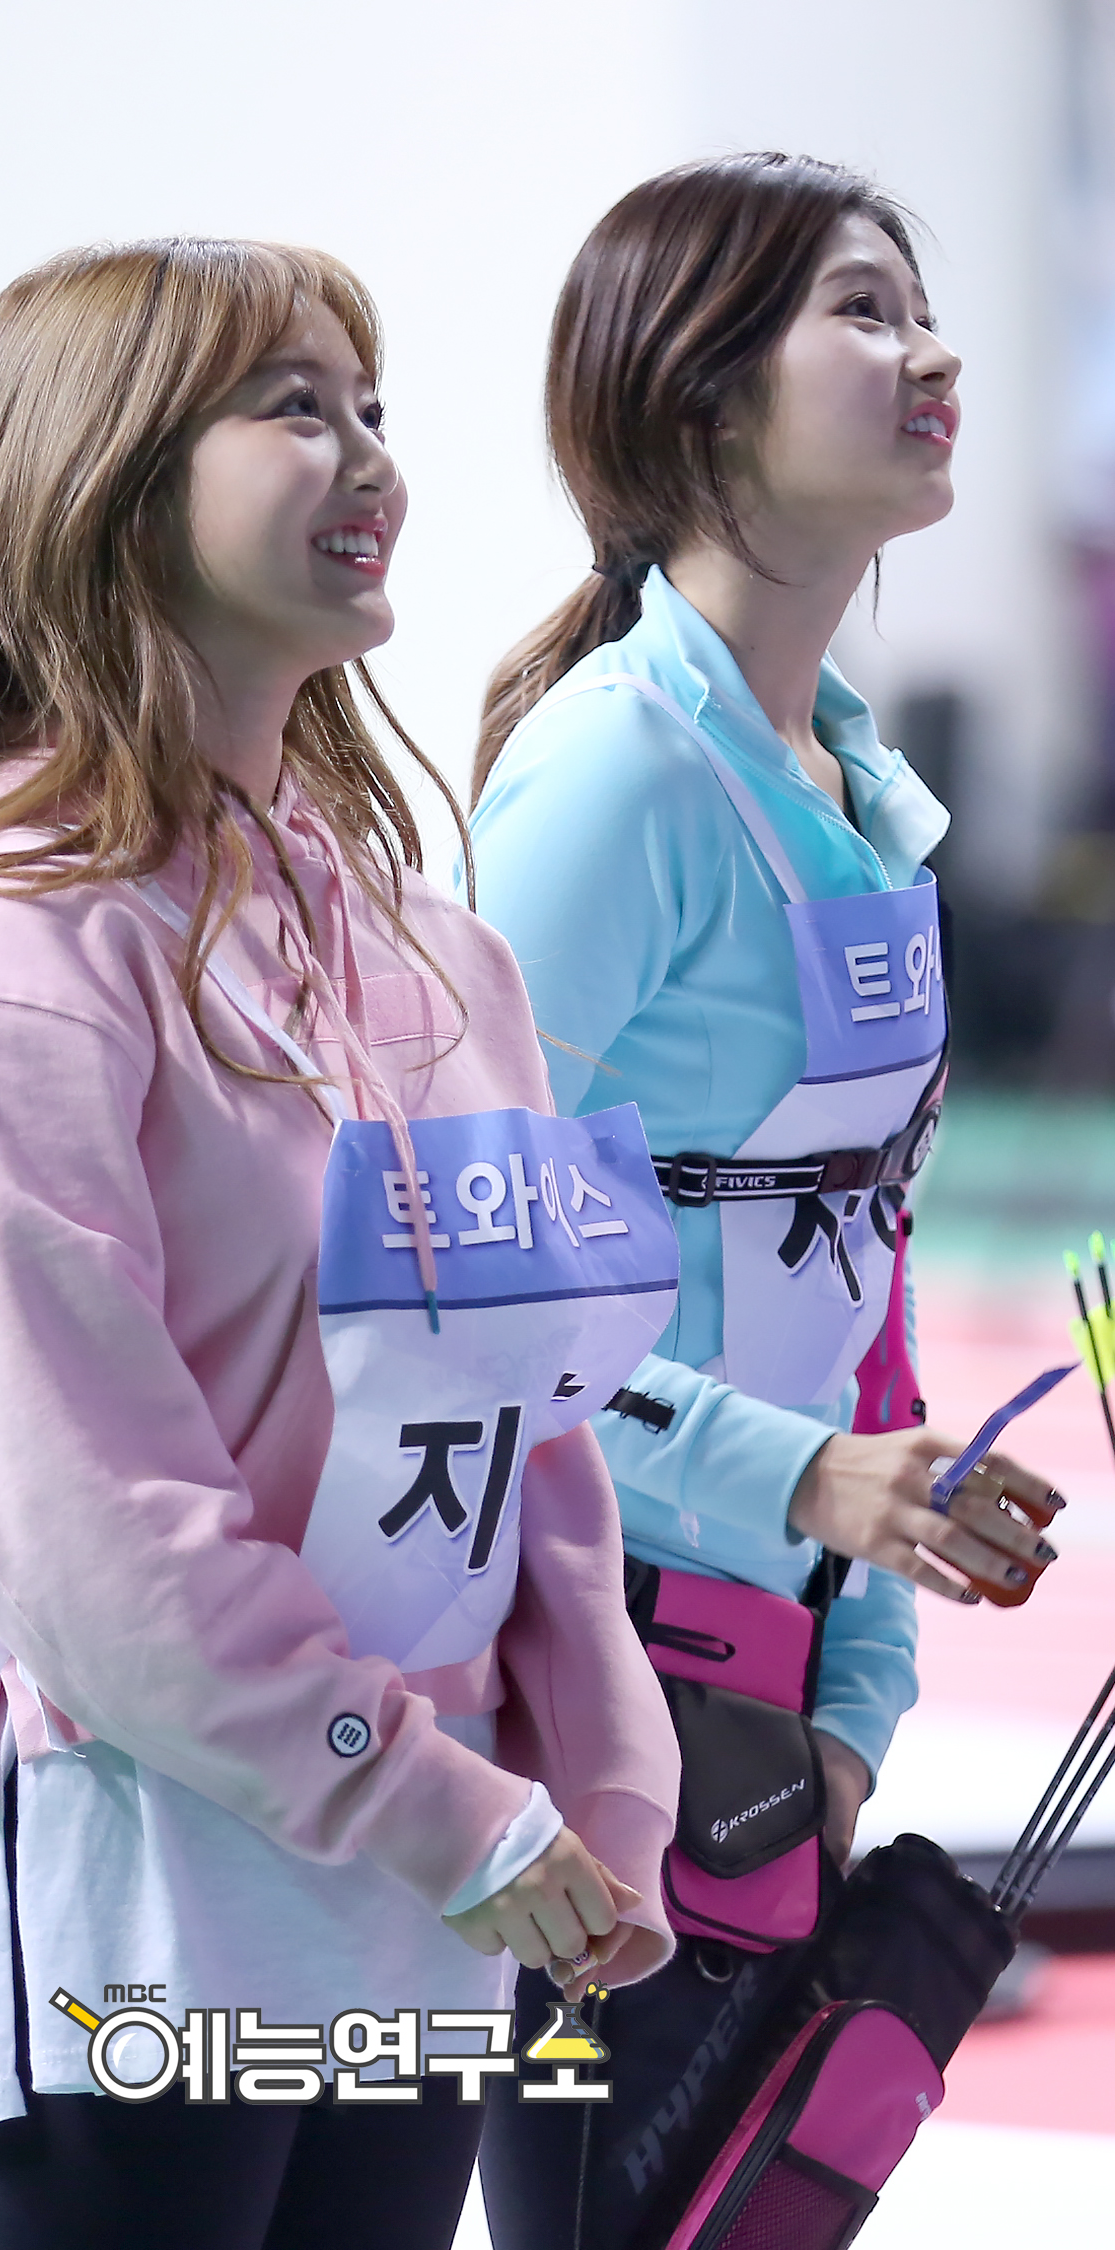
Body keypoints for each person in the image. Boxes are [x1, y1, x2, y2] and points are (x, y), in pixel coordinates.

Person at [0, 238, 683, 2250]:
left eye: (374, 407)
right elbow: (79, 1511)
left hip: (443, 1880)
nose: (370, 457)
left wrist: (601, 1774)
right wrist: (429, 1797)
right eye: (294, 408)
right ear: (114, 479)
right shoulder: (4, 955)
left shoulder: (436, 956)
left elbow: (535, 1422)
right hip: (144, 1879)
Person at [464, 154, 1062, 2248]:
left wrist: (856, 1695)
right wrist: (801, 1479)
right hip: (575, 1680)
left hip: (773, 1710)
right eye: (865, 312)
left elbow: (858, 1275)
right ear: (704, 399)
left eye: (924, 306)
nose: (936, 355)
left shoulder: (863, 799)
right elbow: (455, 1307)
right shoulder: (612, 776)